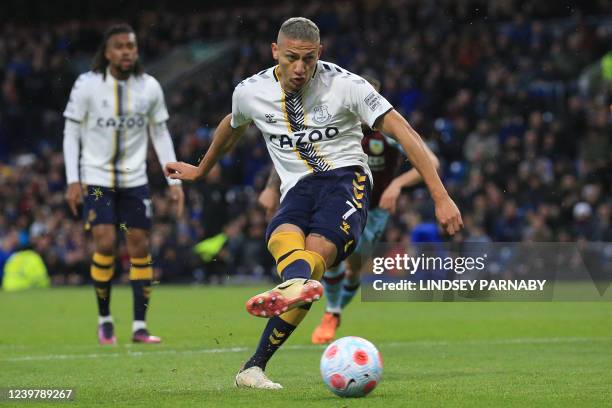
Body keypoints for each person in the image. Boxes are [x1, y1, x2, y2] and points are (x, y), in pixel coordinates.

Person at [165, 17, 462, 389]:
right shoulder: (250, 92)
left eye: (308, 58)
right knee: (282, 242)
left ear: (319, 53)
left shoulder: (346, 85)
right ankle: (251, 369)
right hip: (297, 186)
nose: (301, 67)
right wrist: (200, 170)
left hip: (345, 179)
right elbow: (232, 124)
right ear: (276, 52)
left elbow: (403, 129)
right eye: (292, 58)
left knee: (315, 259)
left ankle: (267, 340)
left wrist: (441, 195)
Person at [258, 74, 440, 344]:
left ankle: (335, 308)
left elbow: (431, 160)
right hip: (335, 200)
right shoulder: (335, 124)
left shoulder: (387, 132)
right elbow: (296, 151)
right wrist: (272, 187)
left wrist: (397, 184)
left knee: (354, 268)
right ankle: (331, 312)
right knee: (330, 257)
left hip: (374, 210)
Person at [63, 24, 184, 345]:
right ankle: (105, 320)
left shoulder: (149, 88)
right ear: (107, 52)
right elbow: (71, 132)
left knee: (140, 247)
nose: (127, 51)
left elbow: (160, 132)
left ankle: (139, 327)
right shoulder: (87, 85)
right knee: (104, 243)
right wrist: (72, 180)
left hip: (134, 181)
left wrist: (173, 179)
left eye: (131, 46)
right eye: (119, 46)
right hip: (97, 179)